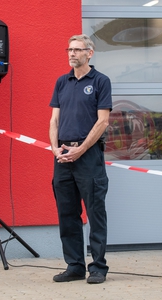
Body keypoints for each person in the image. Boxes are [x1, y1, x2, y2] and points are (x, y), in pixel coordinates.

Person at [49, 34, 111, 285]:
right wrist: (55, 149)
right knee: (67, 212)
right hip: (63, 157)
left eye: (77, 50)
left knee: (95, 212)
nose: (72, 54)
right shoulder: (62, 82)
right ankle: (74, 266)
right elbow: (54, 120)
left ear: (89, 53)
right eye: (69, 50)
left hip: (88, 157)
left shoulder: (100, 81)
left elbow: (103, 121)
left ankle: (98, 267)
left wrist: (81, 149)